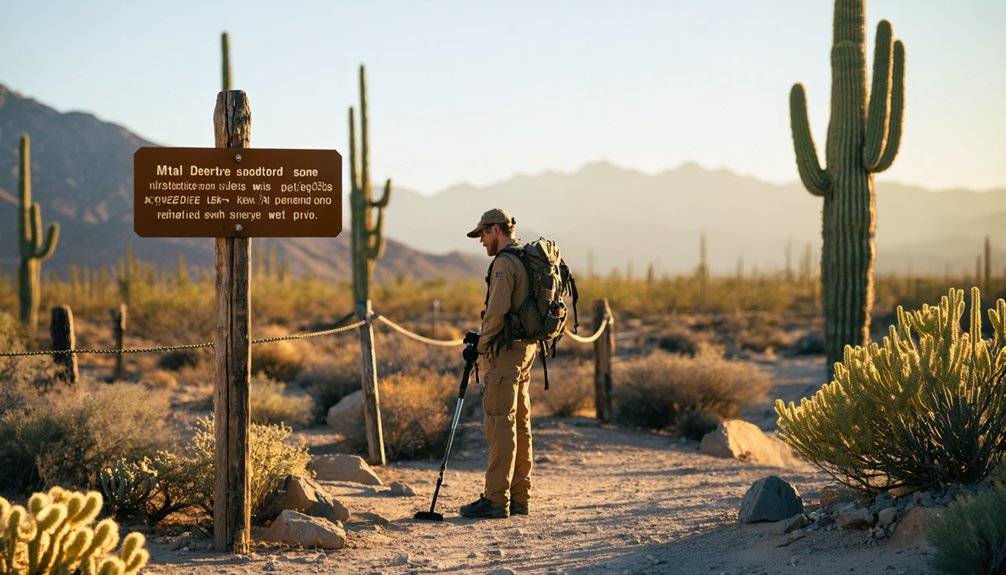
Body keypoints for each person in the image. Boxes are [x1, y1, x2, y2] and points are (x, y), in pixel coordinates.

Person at [459, 208, 536, 519]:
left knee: (499, 424)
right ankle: (519, 498)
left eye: (483, 234)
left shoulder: (504, 263)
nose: (481, 242)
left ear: (496, 229)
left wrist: (480, 346)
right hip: (526, 350)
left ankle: (495, 500)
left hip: (506, 354)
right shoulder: (526, 259)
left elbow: (496, 313)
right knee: (519, 424)